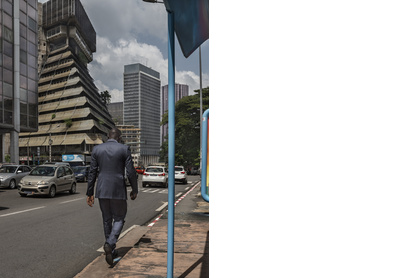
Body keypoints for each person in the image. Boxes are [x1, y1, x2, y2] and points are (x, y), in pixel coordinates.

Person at [86, 128, 138, 265]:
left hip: (102, 189)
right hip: (117, 189)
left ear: (107, 136)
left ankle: (111, 248)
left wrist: (89, 193)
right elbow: (131, 171)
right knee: (119, 218)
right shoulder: (124, 149)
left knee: (107, 219)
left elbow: (92, 172)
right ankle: (110, 243)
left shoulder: (97, 149)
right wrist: (134, 189)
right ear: (119, 138)